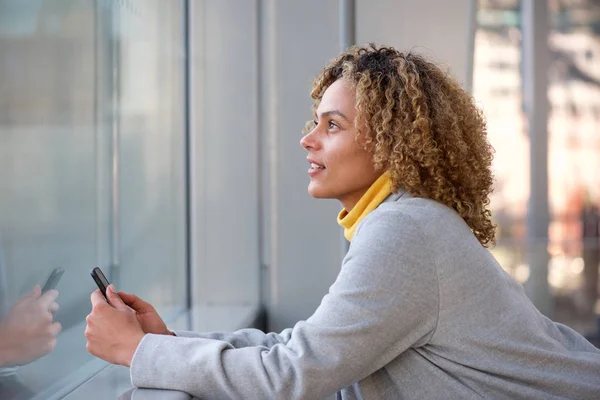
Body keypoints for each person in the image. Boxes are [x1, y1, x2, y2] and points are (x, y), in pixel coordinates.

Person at [85, 44, 600, 399]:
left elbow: (291, 378)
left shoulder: (406, 233)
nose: (308, 139)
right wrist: (170, 341)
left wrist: (139, 351)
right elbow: (303, 350)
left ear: (393, 144)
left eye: (333, 125)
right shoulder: (402, 223)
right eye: (316, 121)